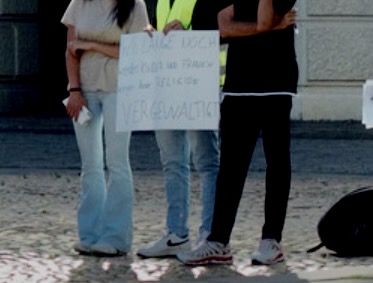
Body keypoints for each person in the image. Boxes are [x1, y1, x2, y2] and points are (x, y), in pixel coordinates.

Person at [179, 0, 298, 268]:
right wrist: (263, 28)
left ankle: (271, 240)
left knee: (277, 163)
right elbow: (224, 27)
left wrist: (262, 26)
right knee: (231, 167)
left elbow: (267, 19)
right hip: (238, 84)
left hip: (276, 84)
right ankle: (218, 241)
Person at [61, 0, 149, 258]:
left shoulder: (135, 6)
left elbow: (134, 51)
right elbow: (70, 50)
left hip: (121, 91)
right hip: (85, 91)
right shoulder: (79, 3)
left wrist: (90, 45)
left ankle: (116, 237)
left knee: (117, 163)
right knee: (90, 165)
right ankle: (89, 235)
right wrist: (74, 90)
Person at [137, 0, 222, 260]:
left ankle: (210, 235)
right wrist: (151, 34)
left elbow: (227, 30)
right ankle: (176, 234)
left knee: (206, 162)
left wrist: (189, 35)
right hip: (169, 83)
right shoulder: (164, 1)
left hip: (202, 83)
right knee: (172, 161)